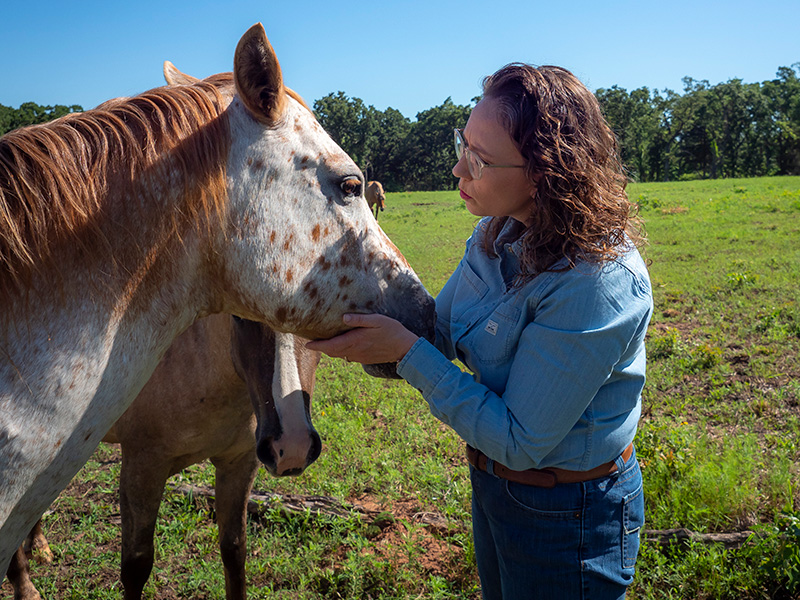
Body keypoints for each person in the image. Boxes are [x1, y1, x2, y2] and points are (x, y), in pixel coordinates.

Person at [306, 63, 653, 600]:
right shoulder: (494, 235)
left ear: (544, 172)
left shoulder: (595, 281)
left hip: (569, 512)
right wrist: (329, 311)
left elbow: (519, 440)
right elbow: (437, 332)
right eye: (462, 144)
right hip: (496, 487)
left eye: (479, 160)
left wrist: (405, 353)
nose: (456, 169)